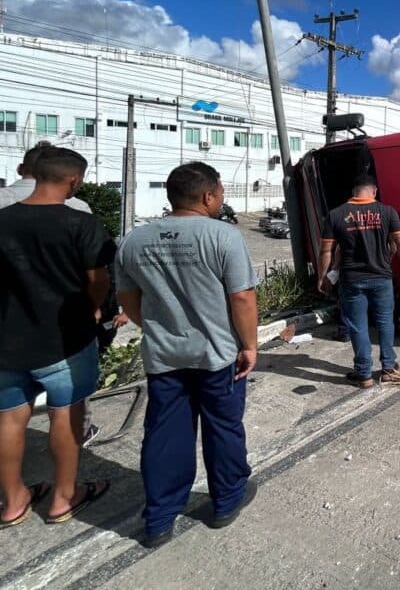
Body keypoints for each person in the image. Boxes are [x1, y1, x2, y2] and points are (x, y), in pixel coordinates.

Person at [115, 162, 260, 547]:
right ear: (209, 195)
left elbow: (127, 297)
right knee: (223, 425)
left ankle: (160, 518)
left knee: (164, 432)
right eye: (222, 192)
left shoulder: (134, 240)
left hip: (164, 356)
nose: (223, 198)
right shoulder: (224, 237)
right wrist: (249, 345)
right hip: (217, 355)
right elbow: (242, 297)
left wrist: (154, 327)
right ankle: (227, 501)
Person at [0, 147, 114, 528]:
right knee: (65, 416)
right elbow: (98, 280)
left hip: (6, 342)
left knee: (10, 421)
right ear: (73, 180)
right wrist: (93, 309)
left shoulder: (2, 219)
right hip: (66, 341)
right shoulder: (81, 222)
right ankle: (64, 498)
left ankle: (14, 501)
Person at [318, 175, 400, 388]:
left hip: (351, 280)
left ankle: (364, 375)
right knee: (385, 322)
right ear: (374, 191)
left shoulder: (335, 215)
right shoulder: (388, 212)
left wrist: (323, 277)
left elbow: (325, 251)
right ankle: (388, 369)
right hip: (382, 278)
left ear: (353, 191)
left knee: (357, 326)